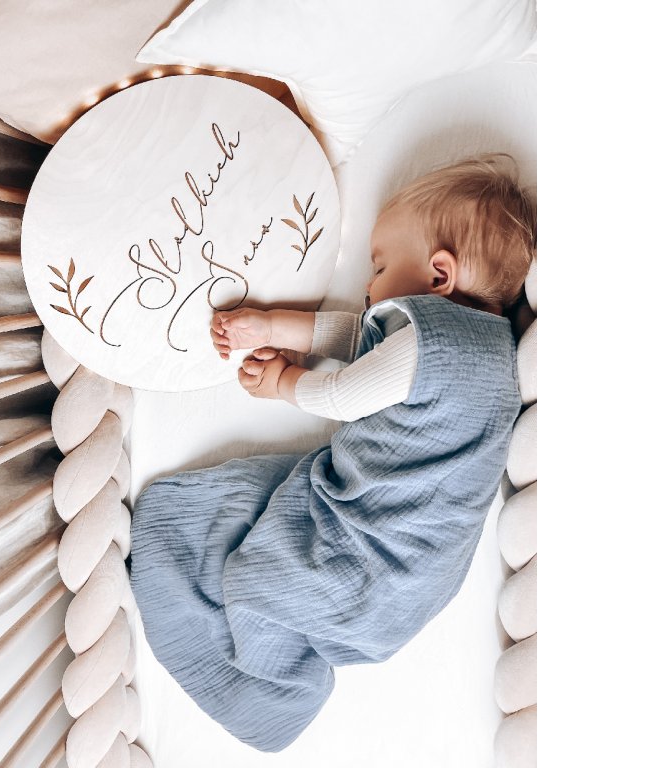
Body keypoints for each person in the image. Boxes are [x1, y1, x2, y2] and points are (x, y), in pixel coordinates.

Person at [129, 154, 536, 752]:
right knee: (267, 537)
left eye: (380, 266)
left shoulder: (433, 341)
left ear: (439, 275)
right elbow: (360, 339)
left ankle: (278, 695)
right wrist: (271, 325)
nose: (369, 286)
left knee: (264, 584)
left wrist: (283, 384)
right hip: (420, 573)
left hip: (381, 547)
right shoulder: (492, 351)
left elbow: (347, 392)